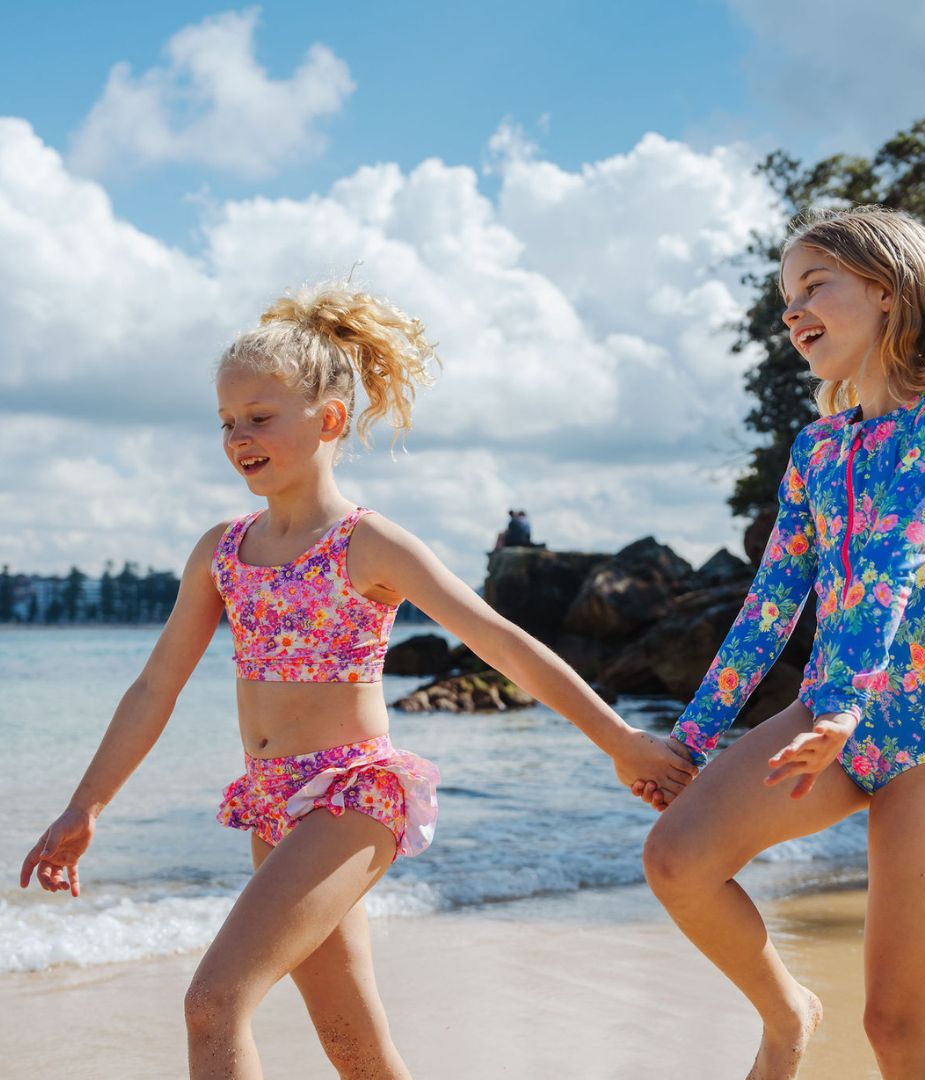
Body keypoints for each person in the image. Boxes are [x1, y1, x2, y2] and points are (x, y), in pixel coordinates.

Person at [20, 284, 696, 1079]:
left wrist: (620, 741)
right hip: (270, 798)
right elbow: (154, 687)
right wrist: (85, 804)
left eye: (260, 416)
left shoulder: (366, 543)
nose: (239, 436)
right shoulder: (221, 551)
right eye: (226, 421)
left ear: (330, 420)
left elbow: (500, 643)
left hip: (352, 796)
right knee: (355, 1047)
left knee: (214, 1002)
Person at [635, 206, 925, 1079]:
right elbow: (770, 606)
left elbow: (899, 548)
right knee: (677, 858)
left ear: (889, 291)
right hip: (827, 715)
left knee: (896, 1026)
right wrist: (694, 736)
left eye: (813, 285)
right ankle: (786, 1015)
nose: (792, 312)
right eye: (786, 298)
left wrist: (851, 703)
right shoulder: (817, 448)